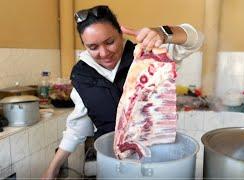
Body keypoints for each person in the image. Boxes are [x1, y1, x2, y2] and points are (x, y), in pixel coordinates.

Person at [42, 5, 203, 179]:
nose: (104, 53)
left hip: (155, 158)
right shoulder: (82, 76)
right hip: (112, 162)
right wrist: (52, 168)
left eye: (110, 42)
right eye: (93, 47)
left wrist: (163, 33)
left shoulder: (147, 56)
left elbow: (196, 40)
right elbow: (77, 128)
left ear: (121, 33)